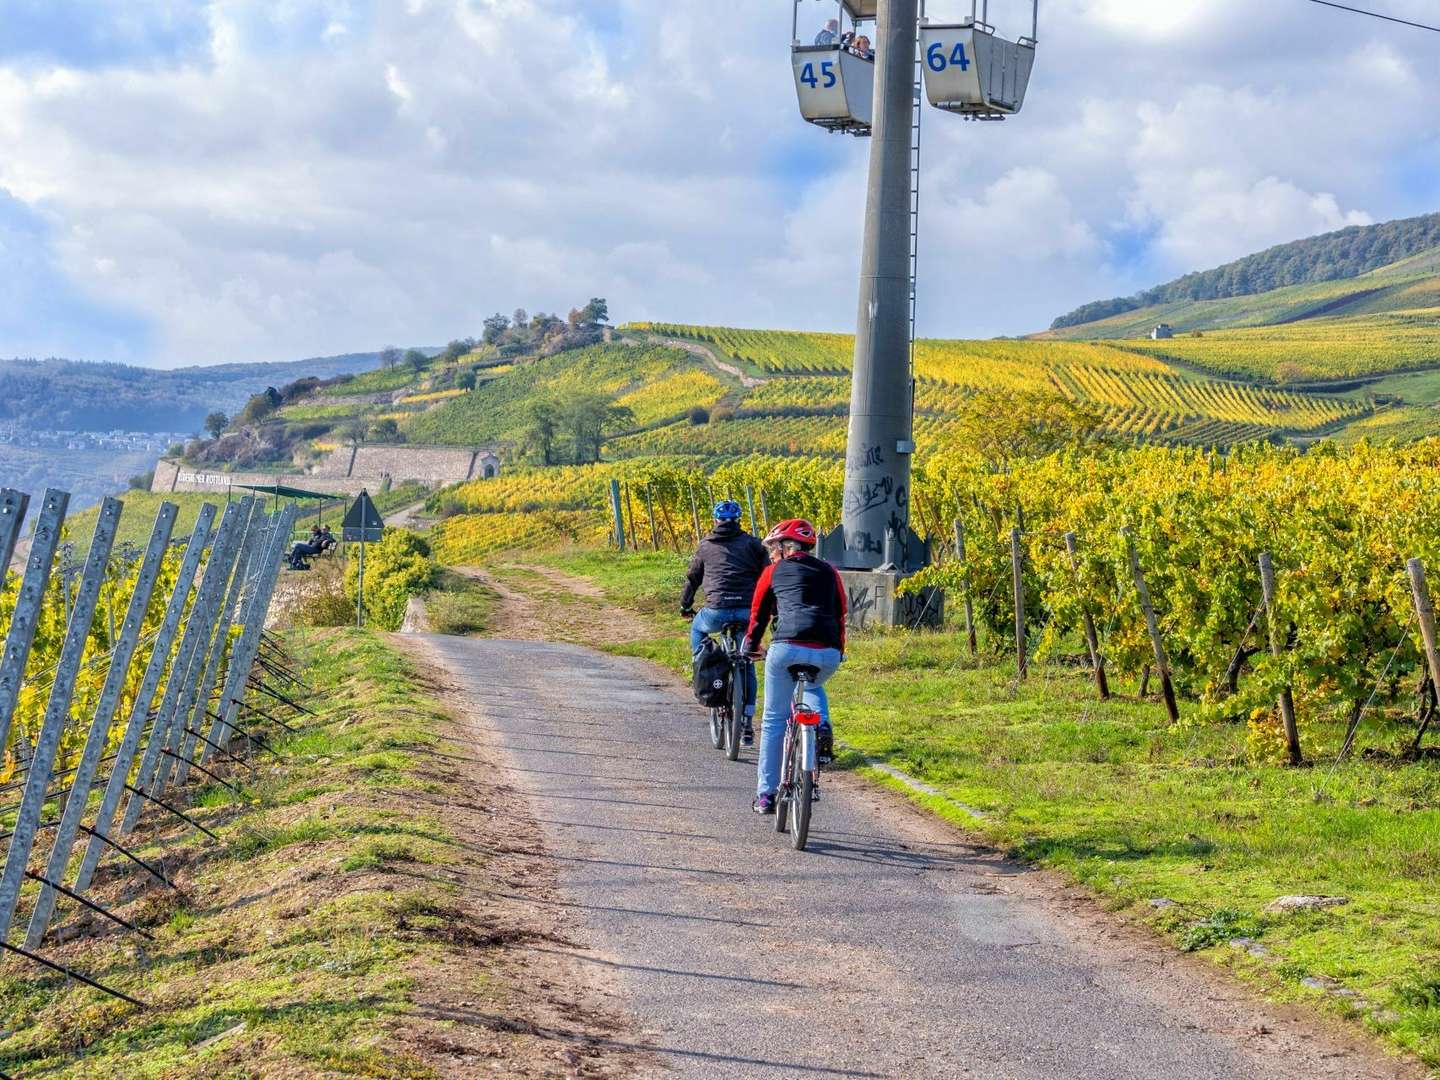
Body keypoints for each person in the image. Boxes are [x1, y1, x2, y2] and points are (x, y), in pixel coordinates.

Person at [744, 519, 847, 814]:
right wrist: (838, 650)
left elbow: (758, 614)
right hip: (827, 651)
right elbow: (840, 613)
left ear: (786, 547)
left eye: (774, 548)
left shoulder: (773, 572)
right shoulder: (830, 571)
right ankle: (822, 724)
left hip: (786, 647)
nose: (772, 554)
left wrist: (751, 645)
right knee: (813, 685)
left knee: (774, 720)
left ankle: (766, 795)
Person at [681, 500, 769, 740]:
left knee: (698, 629)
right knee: (747, 660)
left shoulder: (706, 545)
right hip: (746, 611)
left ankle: (701, 662)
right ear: (739, 519)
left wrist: (685, 606)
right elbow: (767, 574)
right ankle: (748, 720)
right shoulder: (753, 544)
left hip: (716, 611)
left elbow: (693, 579)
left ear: (715, 520)